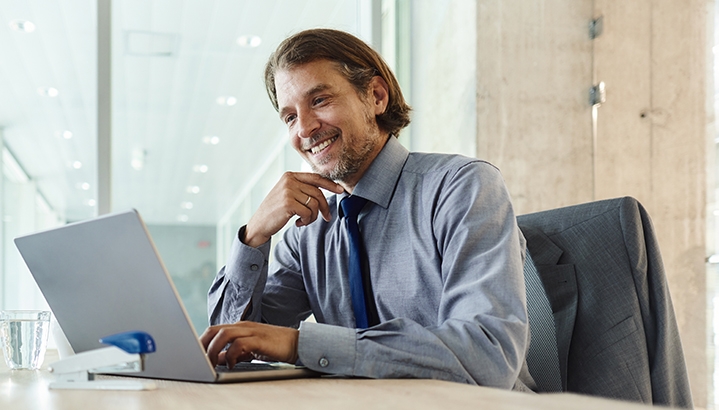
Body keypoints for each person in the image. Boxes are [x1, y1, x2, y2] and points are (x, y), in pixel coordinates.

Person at [202, 28, 533, 390]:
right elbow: (228, 342)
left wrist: (302, 345)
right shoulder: (312, 226)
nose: (306, 129)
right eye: (290, 117)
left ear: (375, 96)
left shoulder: (462, 187)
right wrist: (254, 236)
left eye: (319, 100)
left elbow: (488, 355)